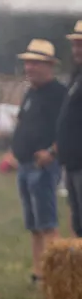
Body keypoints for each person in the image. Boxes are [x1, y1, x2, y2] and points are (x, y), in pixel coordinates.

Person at [4, 39, 67, 285]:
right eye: (28, 63)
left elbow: (69, 128)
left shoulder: (58, 94)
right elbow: (23, 123)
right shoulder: (31, 92)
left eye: (35, 63)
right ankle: (39, 271)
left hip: (43, 166)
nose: (29, 68)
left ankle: (55, 273)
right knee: (33, 224)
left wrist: (52, 151)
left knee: (47, 222)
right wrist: (13, 151)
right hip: (24, 165)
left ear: (49, 66)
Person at [57, 21, 82, 237]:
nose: (76, 50)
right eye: (75, 45)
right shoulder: (76, 76)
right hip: (72, 163)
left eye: (81, 45)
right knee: (78, 222)